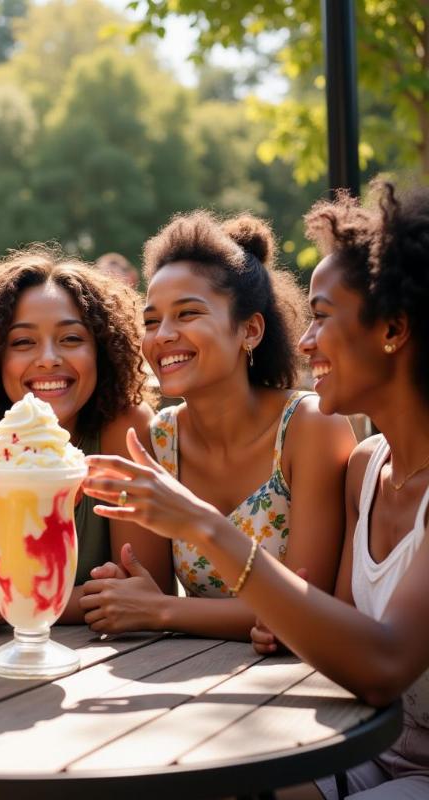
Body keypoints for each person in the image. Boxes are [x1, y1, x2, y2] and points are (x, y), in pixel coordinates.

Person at [83, 182, 429, 799]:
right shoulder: (368, 470)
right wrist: (292, 622)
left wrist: (200, 534)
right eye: (153, 319)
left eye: (322, 317)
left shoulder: (315, 433)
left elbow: (378, 663)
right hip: (359, 742)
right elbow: (331, 624)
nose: (304, 342)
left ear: (394, 329)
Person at [80, 212, 356, 640]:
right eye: (151, 321)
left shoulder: (312, 427)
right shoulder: (157, 441)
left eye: (187, 314)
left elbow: (308, 607)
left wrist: (163, 612)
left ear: (250, 330)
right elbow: (141, 594)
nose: (163, 335)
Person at [0, 245, 170, 626]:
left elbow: (147, 588)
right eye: (23, 342)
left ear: (102, 351)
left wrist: (19, 601)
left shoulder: (123, 429)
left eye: (71, 339)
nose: (48, 358)